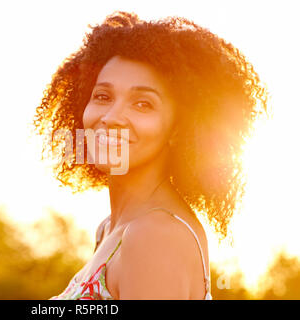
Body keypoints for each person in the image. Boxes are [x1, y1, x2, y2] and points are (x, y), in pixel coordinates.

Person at [33, 11, 269, 300]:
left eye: (143, 104)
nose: (111, 117)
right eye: (103, 96)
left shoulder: (155, 237)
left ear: (178, 129)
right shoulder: (110, 229)